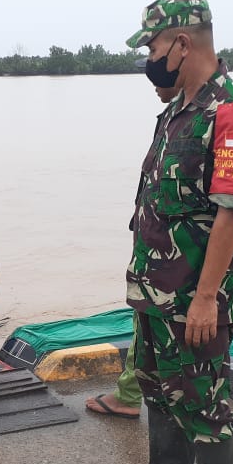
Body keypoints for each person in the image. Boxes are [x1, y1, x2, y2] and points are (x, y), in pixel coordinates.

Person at [110, 0, 233, 464]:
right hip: (154, 285)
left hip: (194, 295)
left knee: (203, 397)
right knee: (155, 381)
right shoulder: (178, 107)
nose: (149, 58)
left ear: (181, 42)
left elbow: (231, 213)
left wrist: (206, 298)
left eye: (152, 46)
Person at [86, 82, 180, 419]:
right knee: (145, 327)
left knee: (151, 334)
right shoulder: (174, 115)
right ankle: (132, 393)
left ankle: (129, 395)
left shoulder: (213, 113)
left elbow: (231, 211)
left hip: (170, 263)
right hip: (153, 253)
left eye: (155, 56)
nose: (153, 77)